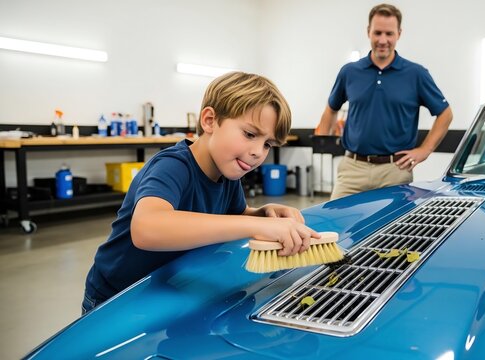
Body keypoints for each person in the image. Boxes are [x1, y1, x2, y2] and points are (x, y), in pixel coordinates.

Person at [82, 72, 320, 314]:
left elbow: (233, 216)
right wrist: (253, 226)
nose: (258, 152)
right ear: (209, 120)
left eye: (267, 144)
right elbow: (146, 228)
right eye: (250, 134)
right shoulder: (173, 165)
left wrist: (262, 215)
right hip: (115, 299)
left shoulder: (228, 174)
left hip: (165, 291)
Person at [316, 3, 453, 200]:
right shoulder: (349, 72)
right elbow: (331, 109)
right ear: (368, 32)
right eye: (377, 32)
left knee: (394, 229)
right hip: (353, 169)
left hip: (395, 171)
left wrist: (424, 150)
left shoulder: (416, 74)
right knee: (334, 226)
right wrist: (322, 142)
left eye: (389, 34)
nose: (383, 40)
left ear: (399, 33)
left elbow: (445, 114)